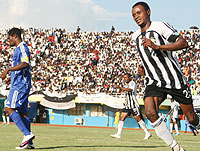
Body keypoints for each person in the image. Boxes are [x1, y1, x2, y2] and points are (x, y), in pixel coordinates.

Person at [131, 2, 200, 151]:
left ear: (148, 12)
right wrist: (143, 67)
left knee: (191, 118)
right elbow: (148, 56)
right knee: (149, 112)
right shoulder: (135, 36)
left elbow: (183, 42)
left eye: (139, 13)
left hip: (175, 80)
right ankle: (176, 148)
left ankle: (199, 125)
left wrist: (158, 46)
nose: (136, 16)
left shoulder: (160, 27)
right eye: (134, 15)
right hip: (155, 81)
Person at [1, 27, 35, 149]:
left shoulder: (22, 47)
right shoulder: (18, 49)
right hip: (20, 83)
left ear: (15, 36)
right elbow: (21, 67)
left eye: (9, 38)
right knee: (23, 113)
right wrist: (12, 76)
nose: (8, 40)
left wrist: (8, 69)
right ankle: (29, 143)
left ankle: (27, 134)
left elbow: (25, 63)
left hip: (20, 86)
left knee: (8, 108)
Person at [110, 73, 152, 139]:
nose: (125, 79)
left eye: (126, 77)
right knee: (121, 117)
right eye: (124, 77)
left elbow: (130, 90)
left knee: (138, 119)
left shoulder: (132, 83)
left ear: (130, 78)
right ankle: (118, 134)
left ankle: (147, 132)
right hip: (128, 105)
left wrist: (120, 87)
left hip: (133, 105)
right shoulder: (127, 85)